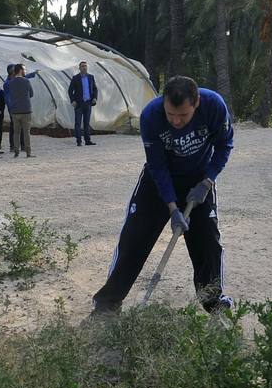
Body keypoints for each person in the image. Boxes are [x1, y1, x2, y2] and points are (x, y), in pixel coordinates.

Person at [91, 76, 234, 314]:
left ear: (196, 102)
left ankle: (214, 302)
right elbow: (157, 166)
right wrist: (172, 207)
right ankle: (108, 302)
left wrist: (208, 181)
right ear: (163, 103)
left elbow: (224, 145)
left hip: (199, 180)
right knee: (134, 238)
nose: (176, 121)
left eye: (183, 116)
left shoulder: (214, 106)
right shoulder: (151, 116)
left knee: (207, 242)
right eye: (171, 115)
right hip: (157, 182)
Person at [68, 61, 98, 146]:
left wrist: (95, 98)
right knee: (78, 122)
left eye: (85, 66)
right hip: (79, 104)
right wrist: (72, 100)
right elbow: (70, 90)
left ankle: (87, 140)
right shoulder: (75, 78)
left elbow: (95, 89)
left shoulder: (91, 77)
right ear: (79, 68)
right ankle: (79, 141)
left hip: (88, 103)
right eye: (82, 66)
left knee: (86, 122)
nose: (84, 67)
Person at [7, 65, 34, 157]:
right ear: (21, 70)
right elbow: (31, 93)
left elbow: (10, 94)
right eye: (24, 69)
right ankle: (28, 152)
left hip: (15, 110)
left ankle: (16, 151)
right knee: (26, 132)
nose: (25, 71)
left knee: (16, 132)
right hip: (26, 109)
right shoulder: (26, 81)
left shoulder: (10, 82)